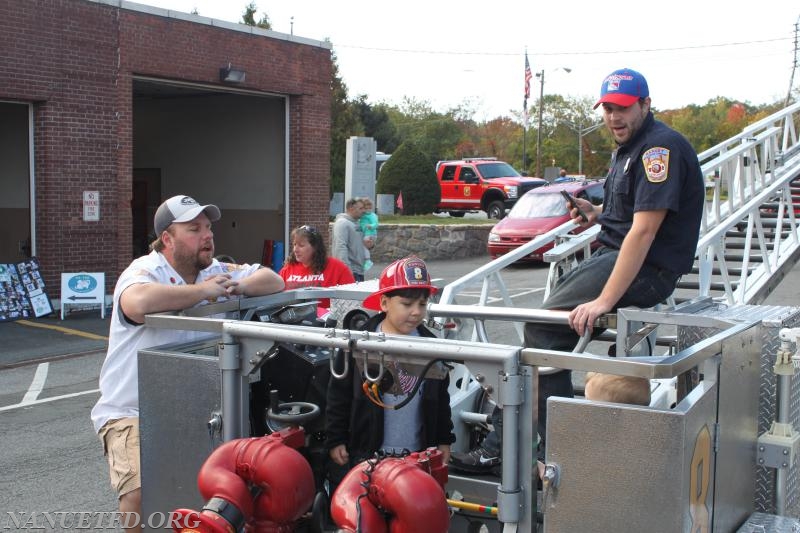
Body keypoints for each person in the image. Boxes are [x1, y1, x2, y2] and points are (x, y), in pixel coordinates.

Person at [450, 67, 705, 473]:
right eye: (606, 108)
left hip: (643, 266)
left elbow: (644, 232)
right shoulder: (628, 148)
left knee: (544, 328)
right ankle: (523, 444)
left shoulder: (659, 149)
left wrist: (603, 300)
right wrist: (598, 213)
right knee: (543, 335)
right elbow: (630, 215)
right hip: (617, 254)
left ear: (645, 105)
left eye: (622, 108)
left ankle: (551, 452)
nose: (613, 117)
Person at [90, 195, 285, 531]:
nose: (207, 235)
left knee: (211, 492)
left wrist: (239, 286)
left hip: (196, 408)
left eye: (208, 227)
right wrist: (203, 293)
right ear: (168, 238)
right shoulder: (145, 270)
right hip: (131, 411)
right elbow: (137, 302)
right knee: (140, 492)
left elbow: (274, 280)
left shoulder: (215, 270)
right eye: (194, 229)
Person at [325, 256, 455, 492]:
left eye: (422, 305)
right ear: (384, 303)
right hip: (368, 456)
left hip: (416, 456)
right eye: (407, 304)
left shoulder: (432, 346)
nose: (416, 312)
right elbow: (338, 395)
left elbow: (440, 400)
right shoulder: (358, 343)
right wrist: (336, 439)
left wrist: (444, 439)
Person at [279, 224, 355, 312]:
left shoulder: (337, 268)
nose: (295, 249)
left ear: (315, 247)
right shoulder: (287, 269)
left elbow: (350, 300)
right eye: (295, 244)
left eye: (301, 245)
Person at [331, 197, 366, 281]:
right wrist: (347, 271)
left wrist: (370, 245)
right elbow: (340, 247)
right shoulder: (342, 223)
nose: (363, 211)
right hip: (351, 272)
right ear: (351, 208)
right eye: (360, 208)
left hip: (358, 271)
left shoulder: (356, 223)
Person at [358, 197, 379, 273]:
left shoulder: (372, 215)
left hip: (371, 234)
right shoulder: (363, 216)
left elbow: (376, 224)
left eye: (369, 208)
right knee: (363, 246)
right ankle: (365, 260)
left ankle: (367, 260)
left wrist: (371, 226)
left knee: (363, 246)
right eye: (366, 208)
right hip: (366, 234)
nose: (367, 210)